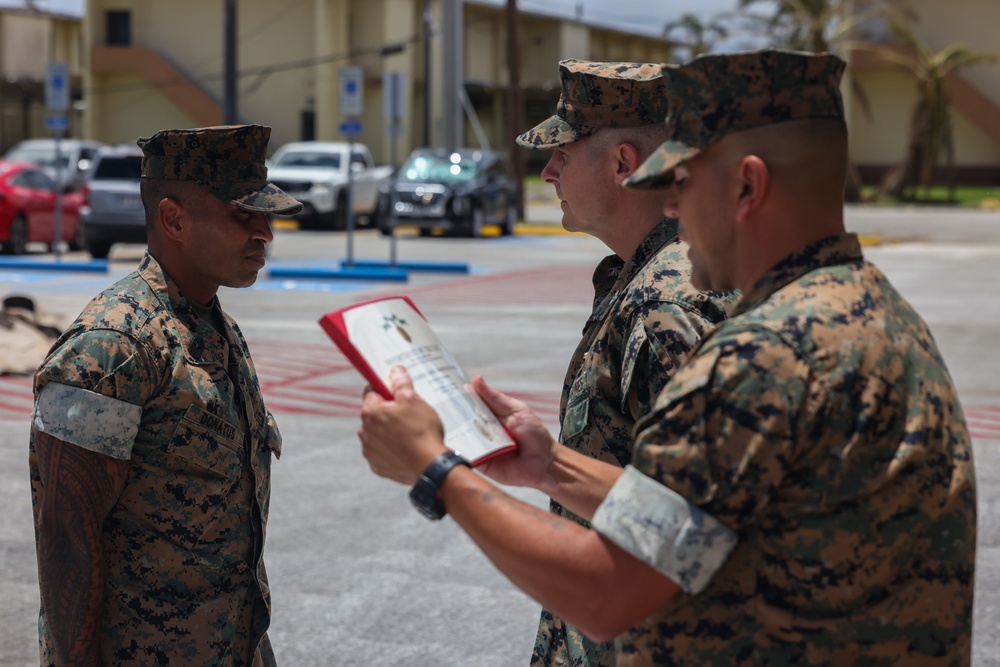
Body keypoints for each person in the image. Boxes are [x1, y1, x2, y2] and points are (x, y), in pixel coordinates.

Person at [359, 49, 977, 665]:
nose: (671, 205)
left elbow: (609, 592)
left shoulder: (767, 356)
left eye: (682, 180)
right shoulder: (874, 311)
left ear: (747, 185)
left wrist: (438, 469)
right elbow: (693, 524)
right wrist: (551, 469)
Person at [28, 124, 302, 666]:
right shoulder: (111, 349)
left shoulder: (209, 324)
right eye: (242, 214)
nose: (264, 233)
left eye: (265, 215)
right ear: (173, 218)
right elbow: (66, 548)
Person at [516, 59, 736, 667]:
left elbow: (695, 536)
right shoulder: (654, 276)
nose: (547, 170)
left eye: (564, 151)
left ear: (623, 164)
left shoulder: (664, 304)